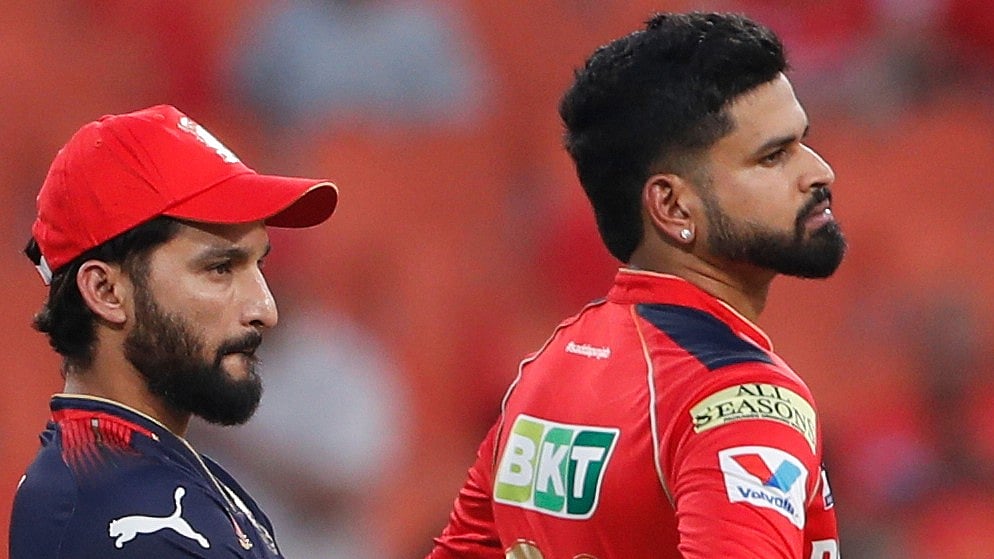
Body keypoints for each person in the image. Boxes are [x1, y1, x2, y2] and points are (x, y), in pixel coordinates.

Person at [428, 12, 845, 559]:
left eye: (802, 143)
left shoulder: (547, 372)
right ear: (672, 207)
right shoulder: (739, 401)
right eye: (773, 155)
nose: (819, 173)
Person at [8, 104, 339, 558]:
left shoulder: (152, 470)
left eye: (257, 264)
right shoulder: (118, 515)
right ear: (105, 290)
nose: (265, 309)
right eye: (220, 268)